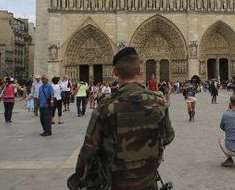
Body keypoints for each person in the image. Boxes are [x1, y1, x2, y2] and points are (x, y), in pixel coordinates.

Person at [68, 47, 174, 190]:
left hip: (115, 183)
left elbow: (88, 150)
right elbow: (168, 137)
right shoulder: (159, 103)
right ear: (140, 70)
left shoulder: (106, 108)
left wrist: (79, 180)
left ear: (115, 72)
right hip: (148, 182)